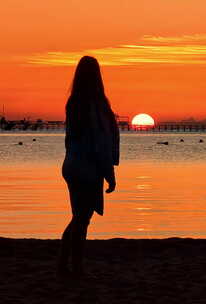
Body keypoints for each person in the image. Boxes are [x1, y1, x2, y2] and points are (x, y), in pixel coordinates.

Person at [57, 56, 120, 278]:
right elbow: (101, 142)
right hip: (87, 167)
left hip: (72, 165)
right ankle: (76, 267)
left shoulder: (74, 102)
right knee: (82, 219)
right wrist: (109, 173)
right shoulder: (97, 104)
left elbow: (71, 139)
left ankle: (65, 264)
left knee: (78, 216)